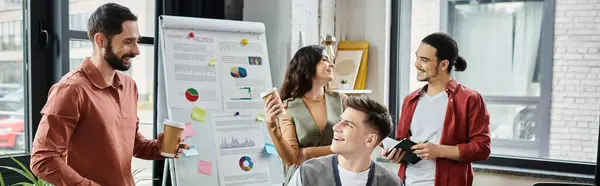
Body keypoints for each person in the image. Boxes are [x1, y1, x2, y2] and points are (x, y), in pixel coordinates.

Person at [30, 3, 189, 186]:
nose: (136, 51)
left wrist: (159, 148)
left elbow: (133, 143)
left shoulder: (129, 86)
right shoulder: (71, 89)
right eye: (128, 42)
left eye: (136, 41)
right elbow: (43, 159)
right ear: (101, 41)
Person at [382, 32, 491, 186]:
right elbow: (403, 142)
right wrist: (396, 153)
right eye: (417, 57)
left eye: (424, 60)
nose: (417, 64)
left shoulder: (469, 99)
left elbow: (482, 148)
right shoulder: (410, 100)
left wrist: (439, 151)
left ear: (443, 64)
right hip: (407, 182)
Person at [263, 45, 347, 185]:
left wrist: (308, 153)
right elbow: (291, 158)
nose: (331, 64)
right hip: (302, 180)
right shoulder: (288, 107)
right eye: (325, 59)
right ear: (309, 65)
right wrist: (271, 126)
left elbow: (351, 145)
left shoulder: (341, 101)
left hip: (337, 178)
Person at [288, 96, 403, 186]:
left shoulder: (391, 183)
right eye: (340, 120)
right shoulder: (308, 173)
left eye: (348, 124)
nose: (335, 127)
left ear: (370, 140)